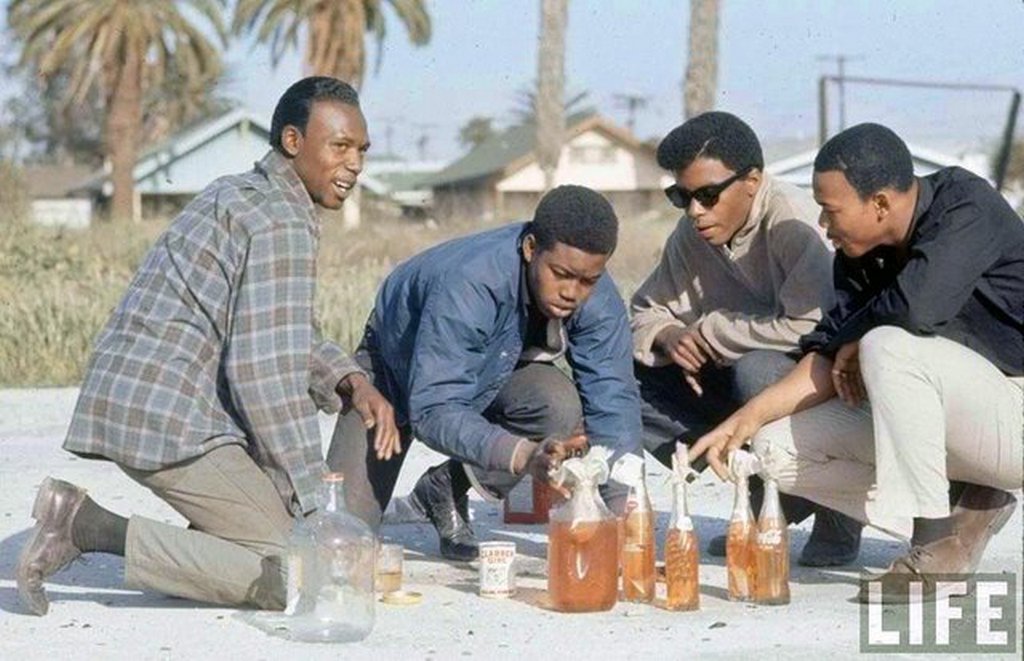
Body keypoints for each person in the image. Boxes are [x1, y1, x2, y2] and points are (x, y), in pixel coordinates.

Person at [16, 77, 398, 615]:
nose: (354, 164)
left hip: (146, 400)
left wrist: (351, 380)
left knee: (276, 536)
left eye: (361, 150)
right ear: (293, 141)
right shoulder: (281, 218)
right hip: (173, 419)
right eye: (339, 147)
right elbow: (262, 374)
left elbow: (281, 329)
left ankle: (207, 529)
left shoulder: (245, 193)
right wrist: (315, 499)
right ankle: (84, 527)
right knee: (296, 573)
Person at [690, 123, 1023, 600]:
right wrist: (743, 421)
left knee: (886, 344)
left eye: (830, 212)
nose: (824, 227)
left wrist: (859, 339)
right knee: (773, 449)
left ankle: (932, 547)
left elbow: (917, 307)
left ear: (881, 203)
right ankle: (964, 510)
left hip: (1016, 411)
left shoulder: (967, 207)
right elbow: (827, 352)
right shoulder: (860, 254)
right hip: (960, 431)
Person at [328, 185, 643, 560]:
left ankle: (443, 487)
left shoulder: (595, 293)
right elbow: (434, 411)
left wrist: (619, 509)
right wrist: (523, 454)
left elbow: (613, 397)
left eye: (587, 280)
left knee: (557, 406)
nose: (572, 292)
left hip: (492, 368)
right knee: (340, 540)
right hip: (391, 373)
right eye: (560, 274)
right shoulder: (470, 282)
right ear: (530, 249)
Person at [631, 111, 863, 566]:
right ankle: (764, 491)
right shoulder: (690, 233)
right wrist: (670, 334)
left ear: (753, 181)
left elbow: (809, 328)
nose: (695, 210)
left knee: (757, 369)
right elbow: (644, 310)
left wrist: (714, 332)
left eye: (708, 195)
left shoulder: (795, 223)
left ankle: (837, 506)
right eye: (681, 196)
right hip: (734, 382)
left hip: (816, 382)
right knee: (629, 377)